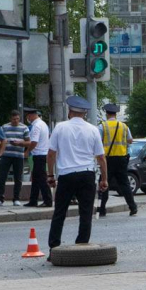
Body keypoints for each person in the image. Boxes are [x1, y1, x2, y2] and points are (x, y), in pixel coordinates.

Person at [46, 96, 108, 259]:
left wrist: (50, 175)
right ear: (84, 114)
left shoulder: (60, 128)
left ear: (70, 111)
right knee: (86, 213)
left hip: (66, 175)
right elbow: (101, 157)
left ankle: (54, 248)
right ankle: (82, 247)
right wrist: (104, 179)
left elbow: (51, 153)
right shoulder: (93, 129)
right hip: (87, 174)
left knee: (60, 212)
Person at [98, 103, 138, 217]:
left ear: (106, 114)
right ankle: (133, 207)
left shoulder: (103, 126)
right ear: (115, 114)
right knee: (124, 184)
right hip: (121, 158)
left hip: (108, 159)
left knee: (105, 183)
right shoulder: (124, 126)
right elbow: (130, 140)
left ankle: (102, 209)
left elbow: (98, 141)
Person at [0, 110, 30, 207]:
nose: (16, 121)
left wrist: (20, 143)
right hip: (6, 155)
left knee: (18, 178)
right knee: (2, 177)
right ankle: (0, 198)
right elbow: (0, 139)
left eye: (17, 119)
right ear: (10, 119)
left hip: (18, 155)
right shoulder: (4, 127)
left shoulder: (24, 128)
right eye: (14, 119)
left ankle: (16, 198)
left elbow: (28, 142)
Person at [24, 107, 52, 208]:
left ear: (30, 115)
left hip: (39, 155)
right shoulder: (43, 124)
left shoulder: (36, 126)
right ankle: (33, 200)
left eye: (28, 116)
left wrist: (28, 151)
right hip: (42, 154)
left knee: (41, 179)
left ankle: (48, 200)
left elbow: (34, 142)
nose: (28, 118)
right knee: (35, 179)